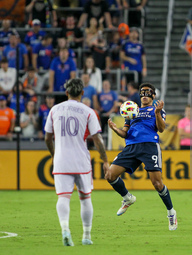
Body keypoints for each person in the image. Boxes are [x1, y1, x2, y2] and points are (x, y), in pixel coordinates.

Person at [44, 78, 109, 246]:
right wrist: (105, 160)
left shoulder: (54, 110)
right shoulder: (88, 111)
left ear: (66, 92)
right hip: (81, 160)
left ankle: (65, 229)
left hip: (61, 159)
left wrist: (53, 155)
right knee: (85, 198)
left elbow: (47, 138)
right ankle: (86, 235)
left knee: (63, 197)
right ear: (82, 92)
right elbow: (98, 139)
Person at [106, 83, 177, 231]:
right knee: (110, 175)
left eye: (147, 93)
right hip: (131, 146)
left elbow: (162, 129)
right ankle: (127, 198)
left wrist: (157, 113)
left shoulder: (156, 110)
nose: (144, 95)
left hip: (149, 146)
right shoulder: (132, 111)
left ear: (153, 96)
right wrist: (115, 129)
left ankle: (171, 212)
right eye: (142, 93)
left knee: (157, 184)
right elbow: (125, 133)